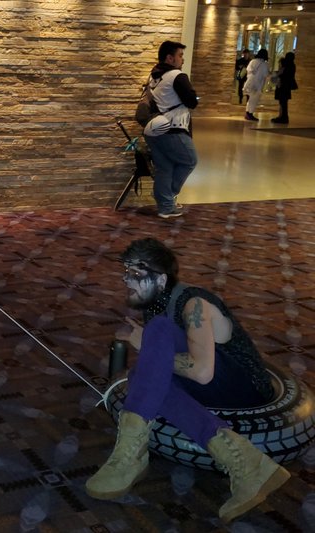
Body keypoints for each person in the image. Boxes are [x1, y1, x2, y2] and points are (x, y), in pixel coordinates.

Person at [85, 238, 290, 523]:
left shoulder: (193, 304)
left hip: (245, 387)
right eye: (126, 272)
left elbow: (202, 372)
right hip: (212, 387)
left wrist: (148, 347)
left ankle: (129, 457)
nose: (126, 280)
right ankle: (244, 461)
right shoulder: (155, 306)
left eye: (136, 273)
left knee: (156, 336)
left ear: (161, 279)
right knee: (141, 374)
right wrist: (152, 353)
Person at [142, 41, 198, 219]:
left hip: (153, 129)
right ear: (169, 58)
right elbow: (192, 102)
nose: (182, 59)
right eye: (180, 55)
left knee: (164, 167)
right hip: (172, 128)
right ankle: (165, 196)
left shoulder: (154, 76)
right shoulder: (177, 76)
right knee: (190, 160)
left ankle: (165, 207)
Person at [243, 48, 270, 121]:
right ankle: (250, 114)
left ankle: (247, 113)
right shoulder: (264, 64)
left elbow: (248, 70)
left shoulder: (252, 61)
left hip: (250, 83)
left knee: (250, 99)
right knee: (254, 100)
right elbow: (266, 74)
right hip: (257, 84)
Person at [271, 52, 297, 124]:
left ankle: (282, 117)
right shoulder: (292, 65)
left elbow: (281, 74)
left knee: (282, 103)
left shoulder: (286, 65)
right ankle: (282, 117)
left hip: (282, 86)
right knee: (284, 102)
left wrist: (276, 74)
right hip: (287, 87)